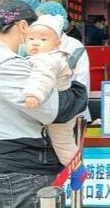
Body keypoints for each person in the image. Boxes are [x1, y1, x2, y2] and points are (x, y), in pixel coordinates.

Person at [0, 1, 88, 208]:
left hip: (10, 161)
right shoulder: (6, 66)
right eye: (34, 33)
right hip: (25, 169)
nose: (36, 42)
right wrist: (76, 91)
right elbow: (52, 111)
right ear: (23, 26)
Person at [23, 14, 79, 166]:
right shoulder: (46, 57)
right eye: (31, 39)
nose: (36, 43)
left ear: (57, 44)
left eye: (43, 40)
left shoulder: (48, 59)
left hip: (59, 110)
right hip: (58, 107)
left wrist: (34, 94)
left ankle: (78, 171)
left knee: (63, 145)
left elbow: (43, 77)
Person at [35, 1, 91, 122]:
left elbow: (82, 81)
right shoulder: (32, 44)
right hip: (39, 108)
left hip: (69, 109)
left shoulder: (75, 46)